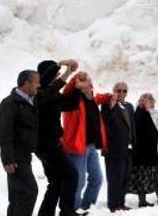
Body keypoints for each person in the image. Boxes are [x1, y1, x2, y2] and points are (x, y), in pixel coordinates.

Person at [34, 60, 80, 216]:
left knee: (56, 182)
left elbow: (70, 104)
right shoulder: (38, 93)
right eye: (56, 74)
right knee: (71, 174)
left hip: (51, 144)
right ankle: (67, 212)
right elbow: (48, 84)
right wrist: (63, 67)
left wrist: (77, 89)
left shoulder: (51, 94)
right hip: (46, 145)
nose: (58, 76)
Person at [61, 72, 107, 214]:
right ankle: (71, 210)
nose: (87, 84)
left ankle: (85, 207)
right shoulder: (73, 100)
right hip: (76, 146)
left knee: (97, 179)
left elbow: (101, 97)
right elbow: (67, 90)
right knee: (78, 182)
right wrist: (76, 80)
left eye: (88, 82)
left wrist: (111, 96)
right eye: (83, 82)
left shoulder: (92, 99)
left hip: (91, 146)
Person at [0, 70, 41, 216]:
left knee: (17, 195)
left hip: (25, 155)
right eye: (36, 82)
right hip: (15, 158)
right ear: (26, 83)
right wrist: (8, 159)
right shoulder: (9, 103)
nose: (39, 85)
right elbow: (4, 133)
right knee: (29, 191)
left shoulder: (30, 101)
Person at [129, 93, 158, 207]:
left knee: (157, 174)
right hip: (142, 151)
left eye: (150, 100)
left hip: (154, 149)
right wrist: (142, 107)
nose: (149, 102)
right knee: (142, 176)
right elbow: (136, 121)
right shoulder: (139, 113)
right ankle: (142, 201)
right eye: (145, 100)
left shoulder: (156, 113)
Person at [101, 82, 136, 212]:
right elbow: (105, 119)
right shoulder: (107, 104)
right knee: (115, 177)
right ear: (113, 91)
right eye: (119, 90)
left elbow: (132, 127)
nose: (121, 93)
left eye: (124, 91)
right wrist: (112, 104)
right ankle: (113, 204)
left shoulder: (129, 107)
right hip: (113, 149)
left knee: (126, 177)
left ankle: (121, 202)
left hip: (128, 148)